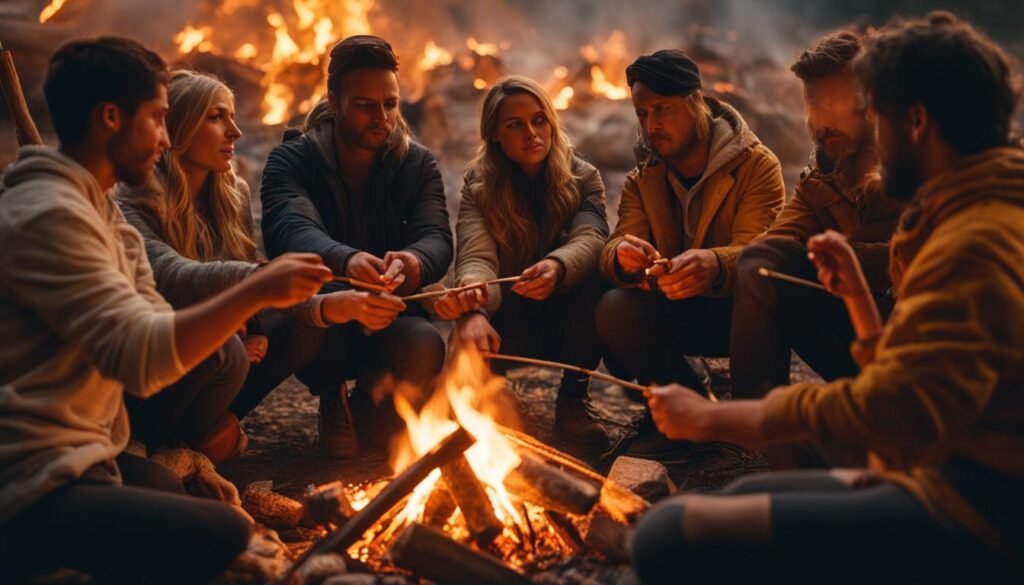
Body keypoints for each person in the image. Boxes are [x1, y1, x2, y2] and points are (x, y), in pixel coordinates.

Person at [630, 13, 1024, 583]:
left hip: (982, 514)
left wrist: (721, 420)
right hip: (947, 468)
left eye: (878, 115)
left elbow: (892, 411)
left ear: (916, 122)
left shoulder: (974, 243)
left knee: (666, 534)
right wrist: (862, 302)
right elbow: (924, 389)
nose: (874, 134)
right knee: (755, 491)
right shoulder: (973, 206)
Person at [0, 37, 332, 583]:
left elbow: (158, 324)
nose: (165, 135)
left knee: (177, 492)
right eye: (158, 118)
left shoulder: (102, 212)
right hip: (27, 474)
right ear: (111, 118)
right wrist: (254, 291)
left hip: (89, 455)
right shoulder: (49, 217)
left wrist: (193, 460)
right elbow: (142, 359)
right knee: (221, 534)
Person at [118, 70, 399, 462]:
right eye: (216, 117)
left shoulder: (232, 192)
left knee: (301, 327)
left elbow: (244, 270)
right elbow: (169, 275)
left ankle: (212, 432)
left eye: (232, 116)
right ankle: (153, 443)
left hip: (223, 352)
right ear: (177, 126)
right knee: (225, 350)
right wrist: (260, 285)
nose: (234, 131)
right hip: (155, 362)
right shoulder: (132, 196)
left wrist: (331, 306)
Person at [260, 35, 451, 458]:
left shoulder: (417, 163)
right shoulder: (292, 160)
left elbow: (436, 235)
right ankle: (333, 399)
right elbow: (289, 229)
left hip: (391, 312)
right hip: (327, 313)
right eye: (365, 104)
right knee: (313, 327)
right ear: (333, 101)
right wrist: (347, 261)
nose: (381, 116)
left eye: (390, 103)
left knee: (426, 344)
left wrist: (414, 262)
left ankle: (370, 399)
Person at [594, 48, 784, 450]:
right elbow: (617, 243)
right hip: (676, 306)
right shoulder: (641, 178)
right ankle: (686, 413)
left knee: (763, 283)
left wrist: (714, 263)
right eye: (642, 114)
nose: (652, 125)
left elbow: (761, 250)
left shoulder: (755, 166)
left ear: (697, 101)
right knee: (613, 305)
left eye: (662, 109)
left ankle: (750, 419)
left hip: (739, 313)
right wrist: (625, 260)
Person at [433, 76, 610, 446]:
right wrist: (474, 309)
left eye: (539, 120)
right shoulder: (479, 186)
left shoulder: (583, 177)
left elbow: (591, 237)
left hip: (566, 319)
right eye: (515, 125)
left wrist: (558, 266)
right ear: (495, 134)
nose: (531, 133)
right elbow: (475, 256)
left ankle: (573, 399)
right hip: (508, 320)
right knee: (474, 316)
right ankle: (493, 386)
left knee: (597, 274)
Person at [728, 31, 904, 400]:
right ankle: (757, 421)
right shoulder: (820, 182)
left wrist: (847, 259)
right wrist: (706, 265)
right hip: (862, 336)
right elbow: (768, 249)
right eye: (814, 105)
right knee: (761, 264)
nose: (821, 122)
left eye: (835, 104)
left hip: (932, 348)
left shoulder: (919, 163)